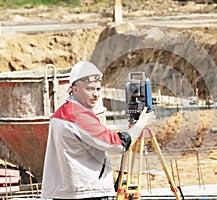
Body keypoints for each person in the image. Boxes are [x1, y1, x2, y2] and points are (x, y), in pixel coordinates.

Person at [41, 61, 153, 200]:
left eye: (98, 89)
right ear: (74, 88)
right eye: (89, 89)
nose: (95, 94)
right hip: (86, 191)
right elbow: (118, 145)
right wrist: (141, 123)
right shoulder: (79, 116)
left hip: (66, 191)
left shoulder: (62, 112)